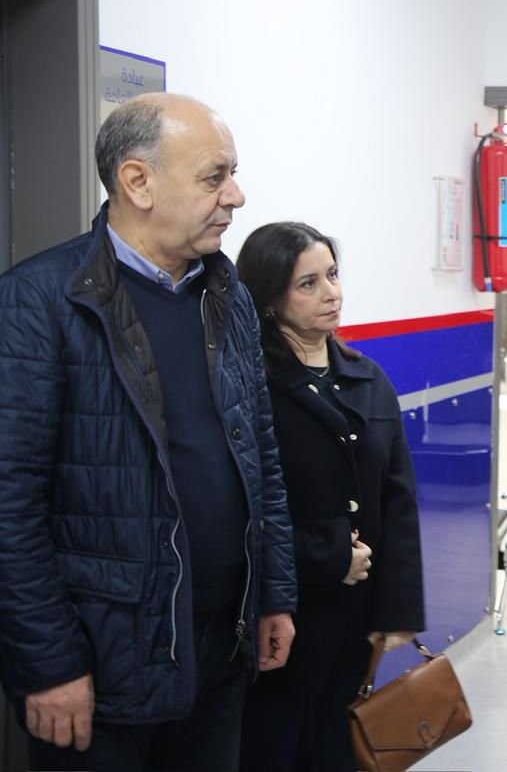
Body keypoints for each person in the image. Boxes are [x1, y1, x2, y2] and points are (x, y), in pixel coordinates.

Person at [0, 93, 298, 771]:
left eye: (233, 174)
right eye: (215, 177)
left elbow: (262, 458)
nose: (236, 196)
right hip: (102, 665)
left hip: (223, 645)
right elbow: (8, 504)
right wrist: (48, 661)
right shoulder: (38, 303)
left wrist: (274, 594)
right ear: (138, 182)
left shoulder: (228, 297)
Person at [236, 222, 425, 772]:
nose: (331, 293)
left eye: (333, 275)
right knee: (274, 749)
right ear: (270, 299)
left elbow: (397, 499)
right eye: (308, 284)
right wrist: (328, 556)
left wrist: (399, 610)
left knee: (338, 750)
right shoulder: (250, 388)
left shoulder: (367, 378)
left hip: (355, 617)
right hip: (283, 614)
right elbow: (244, 510)